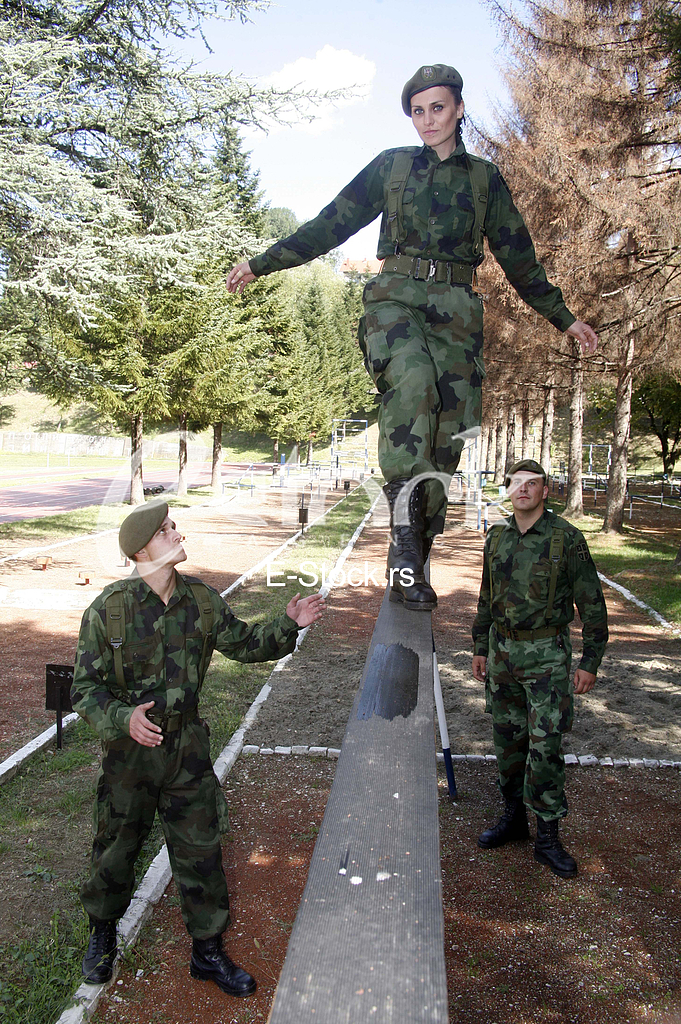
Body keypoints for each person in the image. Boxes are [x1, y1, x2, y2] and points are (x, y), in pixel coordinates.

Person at [226, 63, 598, 611]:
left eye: (438, 108)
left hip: (457, 310)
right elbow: (332, 223)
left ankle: (416, 545)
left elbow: (520, 258)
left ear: (459, 109)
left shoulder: (484, 180)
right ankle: (402, 538)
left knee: (449, 432)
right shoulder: (392, 168)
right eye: (417, 111)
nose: (427, 120)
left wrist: (563, 317)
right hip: (394, 299)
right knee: (412, 381)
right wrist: (263, 263)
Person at [72, 500, 325, 995]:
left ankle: (207, 952)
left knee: (201, 848)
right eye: (166, 530)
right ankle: (102, 935)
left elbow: (245, 643)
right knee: (117, 846)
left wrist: (288, 622)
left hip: (186, 746)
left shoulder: (202, 601)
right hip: (131, 754)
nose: (176, 532)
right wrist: (124, 718)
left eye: (173, 526)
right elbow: (85, 687)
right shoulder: (108, 609)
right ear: (143, 548)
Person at [471, 460, 608, 878]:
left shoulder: (566, 537)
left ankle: (547, 834)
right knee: (508, 742)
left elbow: (591, 601)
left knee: (545, 746)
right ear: (508, 490)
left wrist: (590, 660)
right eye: (516, 484)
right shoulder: (496, 537)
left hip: (547, 656)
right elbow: (485, 597)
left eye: (533, 484)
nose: (523, 490)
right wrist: (480, 647)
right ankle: (514, 819)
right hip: (502, 654)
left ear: (545, 491)